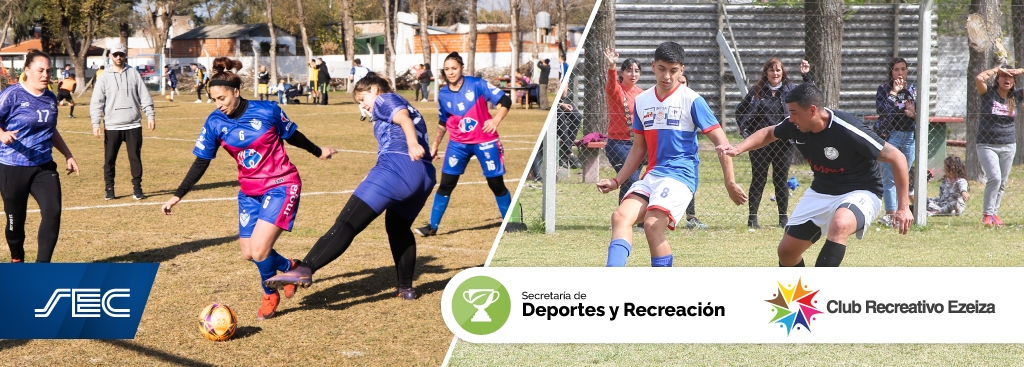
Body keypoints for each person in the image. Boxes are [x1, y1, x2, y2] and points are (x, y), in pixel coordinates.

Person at [161, 57, 338, 320]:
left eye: (222, 98)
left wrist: (318, 151)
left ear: (236, 91)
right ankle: (289, 267)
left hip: (281, 184)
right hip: (249, 192)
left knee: (259, 250)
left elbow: (293, 135)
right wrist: (178, 195)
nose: (218, 105)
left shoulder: (268, 111)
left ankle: (270, 293)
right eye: (213, 100)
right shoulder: (214, 122)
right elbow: (201, 162)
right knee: (248, 252)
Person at [264, 72, 436, 300]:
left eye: (363, 99)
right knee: (398, 229)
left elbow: (402, 117)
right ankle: (406, 288)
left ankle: (305, 268)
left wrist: (412, 144)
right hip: (424, 175)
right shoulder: (403, 103)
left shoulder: (386, 99)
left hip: (397, 167)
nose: (363, 106)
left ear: (375, 89)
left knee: (347, 222)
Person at [718, 83, 912, 267]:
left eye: (794, 113)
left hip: (861, 191)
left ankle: (817, 296)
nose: (790, 118)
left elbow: (897, 157)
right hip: (822, 191)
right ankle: (798, 299)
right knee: (787, 252)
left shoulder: (847, 128)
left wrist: (903, 207)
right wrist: (738, 148)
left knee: (840, 224)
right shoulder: (794, 125)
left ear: (812, 110)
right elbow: (769, 133)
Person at [596, 42, 746, 267]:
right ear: (653, 66)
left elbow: (722, 142)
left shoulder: (692, 100)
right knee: (620, 217)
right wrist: (617, 180)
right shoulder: (643, 101)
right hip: (653, 175)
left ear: (681, 70)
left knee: (652, 225)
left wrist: (730, 182)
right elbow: (638, 148)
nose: (667, 75)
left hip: (680, 175)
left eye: (673, 70)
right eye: (662, 68)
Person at [414, 52, 513, 237]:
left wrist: (496, 120)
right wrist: (435, 144)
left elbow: (505, 100)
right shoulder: (443, 94)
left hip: (485, 141)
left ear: (462, 68)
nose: (450, 72)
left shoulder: (477, 84)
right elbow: (443, 121)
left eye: (454, 68)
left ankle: (511, 222)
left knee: (496, 184)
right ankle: (432, 226)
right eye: (447, 69)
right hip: (458, 143)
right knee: (446, 184)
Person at [0, 48, 80, 263]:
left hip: (43, 167)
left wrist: (68, 155)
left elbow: (50, 130)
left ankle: (41, 269)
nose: (45, 74)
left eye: (48, 70)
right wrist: (2, 133)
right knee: (15, 222)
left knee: (53, 212)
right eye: (40, 70)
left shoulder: (51, 98)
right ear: (27, 70)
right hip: (12, 167)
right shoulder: (12, 94)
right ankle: (17, 257)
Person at [736, 58, 813, 229]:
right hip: (760, 143)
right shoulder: (757, 91)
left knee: (780, 180)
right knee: (759, 179)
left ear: (782, 72)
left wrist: (806, 75)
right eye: (771, 70)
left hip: (784, 143)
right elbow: (740, 111)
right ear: (766, 73)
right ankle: (752, 220)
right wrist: (746, 133)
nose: (775, 74)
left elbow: (811, 92)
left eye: (778, 70)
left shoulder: (790, 90)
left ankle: (783, 219)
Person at [90, 43, 155, 201]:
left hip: (134, 124)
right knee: (110, 159)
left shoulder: (134, 74)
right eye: (115, 55)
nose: (119, 57)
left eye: (121, 54)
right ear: (110, 56)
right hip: (112, 126)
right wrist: (96, 123)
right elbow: (96, 101)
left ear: (125, 55)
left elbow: (144, 95)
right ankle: (109, 188)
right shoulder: (104, 76)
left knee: (135, 157)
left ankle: (137, 188)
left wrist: (150, 115)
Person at [972, 65, 1024, 227]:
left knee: (1002, 182)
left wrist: (1021, 70)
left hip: (1008, 145)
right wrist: (997, 69)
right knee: (994, 177)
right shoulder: (988, 93)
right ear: (998, 79)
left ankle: (994, 214)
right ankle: (987, 214)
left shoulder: (1015, 96)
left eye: (1010, 77)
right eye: (1004, 76)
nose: (1007, 79)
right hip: (987, 144)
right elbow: (979, 78)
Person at [874, 57, 917, 227]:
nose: (900, 73)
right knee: (889, 175)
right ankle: (890, 213)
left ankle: (902, 211)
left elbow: (922, 115)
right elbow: (882, 110)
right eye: (896, 70)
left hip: (909, 135)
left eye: (903, 69)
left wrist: (913, 113)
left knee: (903, 175)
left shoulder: (913, 89)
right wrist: (894, 92)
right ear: (891, 73)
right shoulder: (884, 89)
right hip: (891, 135)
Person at [603, 48, 645, 204]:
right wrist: (612, 66)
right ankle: (626, 217)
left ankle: (627, 216)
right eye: (629, 70)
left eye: (636, 71)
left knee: (631, 182)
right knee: (631, 178)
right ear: (622, 73)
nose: (633, 74)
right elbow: (611, 83)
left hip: (639, 144)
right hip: (618, 144)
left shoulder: (642, 93)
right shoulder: (616, 90)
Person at [678, 73, 706, 230]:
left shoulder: (693, 101)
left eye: (684, 82)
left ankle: (691, 217)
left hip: (689, 152)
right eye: (678, 82)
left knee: (690, 183)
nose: (681, 85)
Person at [556, 86, 582, 168]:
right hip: (556, 105)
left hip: (561, 102)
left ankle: (564, 157)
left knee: (577, 116)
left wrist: (562, 103)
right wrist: (560, 104)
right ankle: (569, 154)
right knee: (560, 114)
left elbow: (563, 94)